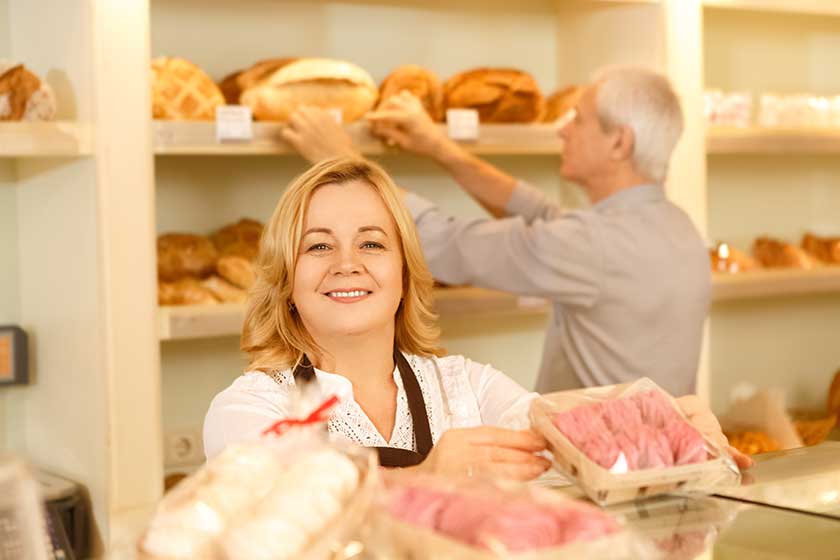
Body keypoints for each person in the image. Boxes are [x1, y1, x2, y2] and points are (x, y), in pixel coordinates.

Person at [203, 157, 752, 475]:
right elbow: (281, 505)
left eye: (372, 243)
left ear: (405, 271)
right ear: (286, 280)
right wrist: (427, 479)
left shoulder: (463, 386)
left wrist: (658, 422)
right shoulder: (248, 409)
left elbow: (557, 430)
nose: (347, 264)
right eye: (318, 246)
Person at [281, 66, 711, 398]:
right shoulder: (677, 227)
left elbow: (447, 244)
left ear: (619, 142)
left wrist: (347, 161)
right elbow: (542, 216)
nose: (562, 128)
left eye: (578, 119)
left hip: (603, 470)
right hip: (666, 462)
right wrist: (439, 148)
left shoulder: (590, 244)